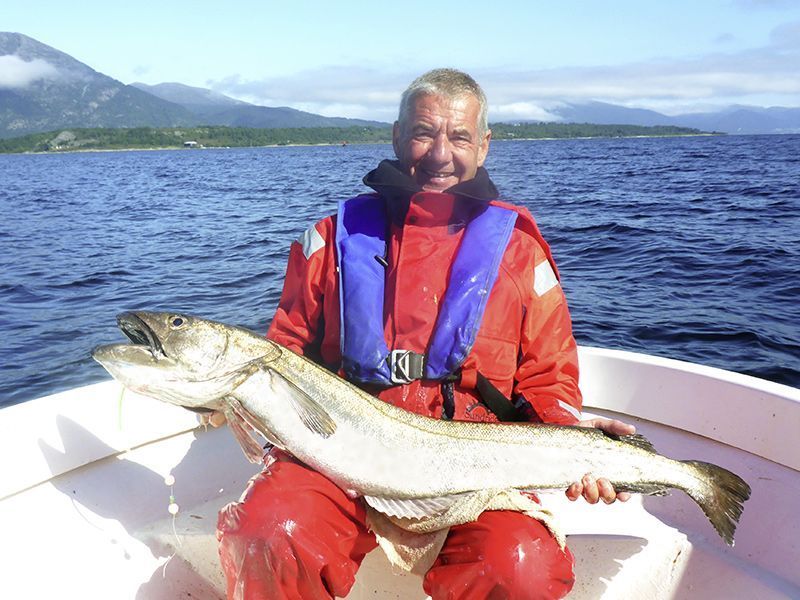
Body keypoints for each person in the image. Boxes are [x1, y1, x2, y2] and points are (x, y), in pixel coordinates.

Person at [214, 68, 635, 600]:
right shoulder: (327, 240)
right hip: (338, 455)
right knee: (270, 533)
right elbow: (284, 354)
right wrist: (215, 399)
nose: (440, 154)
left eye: (459, 137)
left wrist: (580, 453)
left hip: (476, 468)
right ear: (395, 136)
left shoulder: (521, 255)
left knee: (519, 568)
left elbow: (549, 380)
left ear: (484, 146)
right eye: (423, 133)